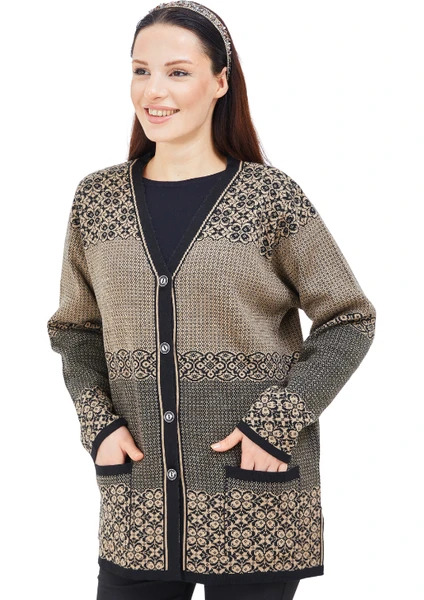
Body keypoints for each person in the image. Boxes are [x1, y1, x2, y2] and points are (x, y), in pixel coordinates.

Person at [47, 2, 377, 599]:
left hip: (256, 501)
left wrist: (277, 422)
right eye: (141, 70)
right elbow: (76, 328)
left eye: (178, 72)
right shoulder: (97, 200)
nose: (154, 90)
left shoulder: (269, 198)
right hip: (138, 506)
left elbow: (348, 318)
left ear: (221, 82)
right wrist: (98, 424)